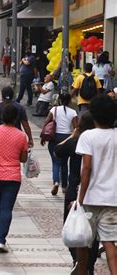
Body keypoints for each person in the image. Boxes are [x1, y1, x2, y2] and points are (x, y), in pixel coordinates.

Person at [76, 95, 117, 274]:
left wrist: (80, 197)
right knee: (109, 241)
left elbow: (86, 168)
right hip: (113, 198)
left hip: (91, 197)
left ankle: (82, 271)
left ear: (93, 115)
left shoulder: (88, 136)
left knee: (83, 241)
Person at [55, 112, 99, 274]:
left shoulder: (76, 142)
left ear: (79, 126)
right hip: (93, 191)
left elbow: (58, 151)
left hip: (75, 191)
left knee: (73, 228)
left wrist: (72, 136)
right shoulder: (96, 142)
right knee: (92, 233)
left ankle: (77, 261)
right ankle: (89, 265)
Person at [0, 104, 28, 252]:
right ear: (16, 118)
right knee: (6, 208)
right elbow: (23, 159)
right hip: (12, 178)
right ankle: (1, 239)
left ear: (2, 117)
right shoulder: (22, 136)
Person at [40, 93, 78, 195]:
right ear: (69, 101)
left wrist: (42, 137)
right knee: (64, 163)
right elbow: (76, 128)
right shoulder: (73, 112)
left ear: (60, 100)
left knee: (55, 162)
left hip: (54, 138)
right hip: (67, 138)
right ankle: (64, 186)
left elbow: (46, 123)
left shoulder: (54, 110)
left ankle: (56, 182)